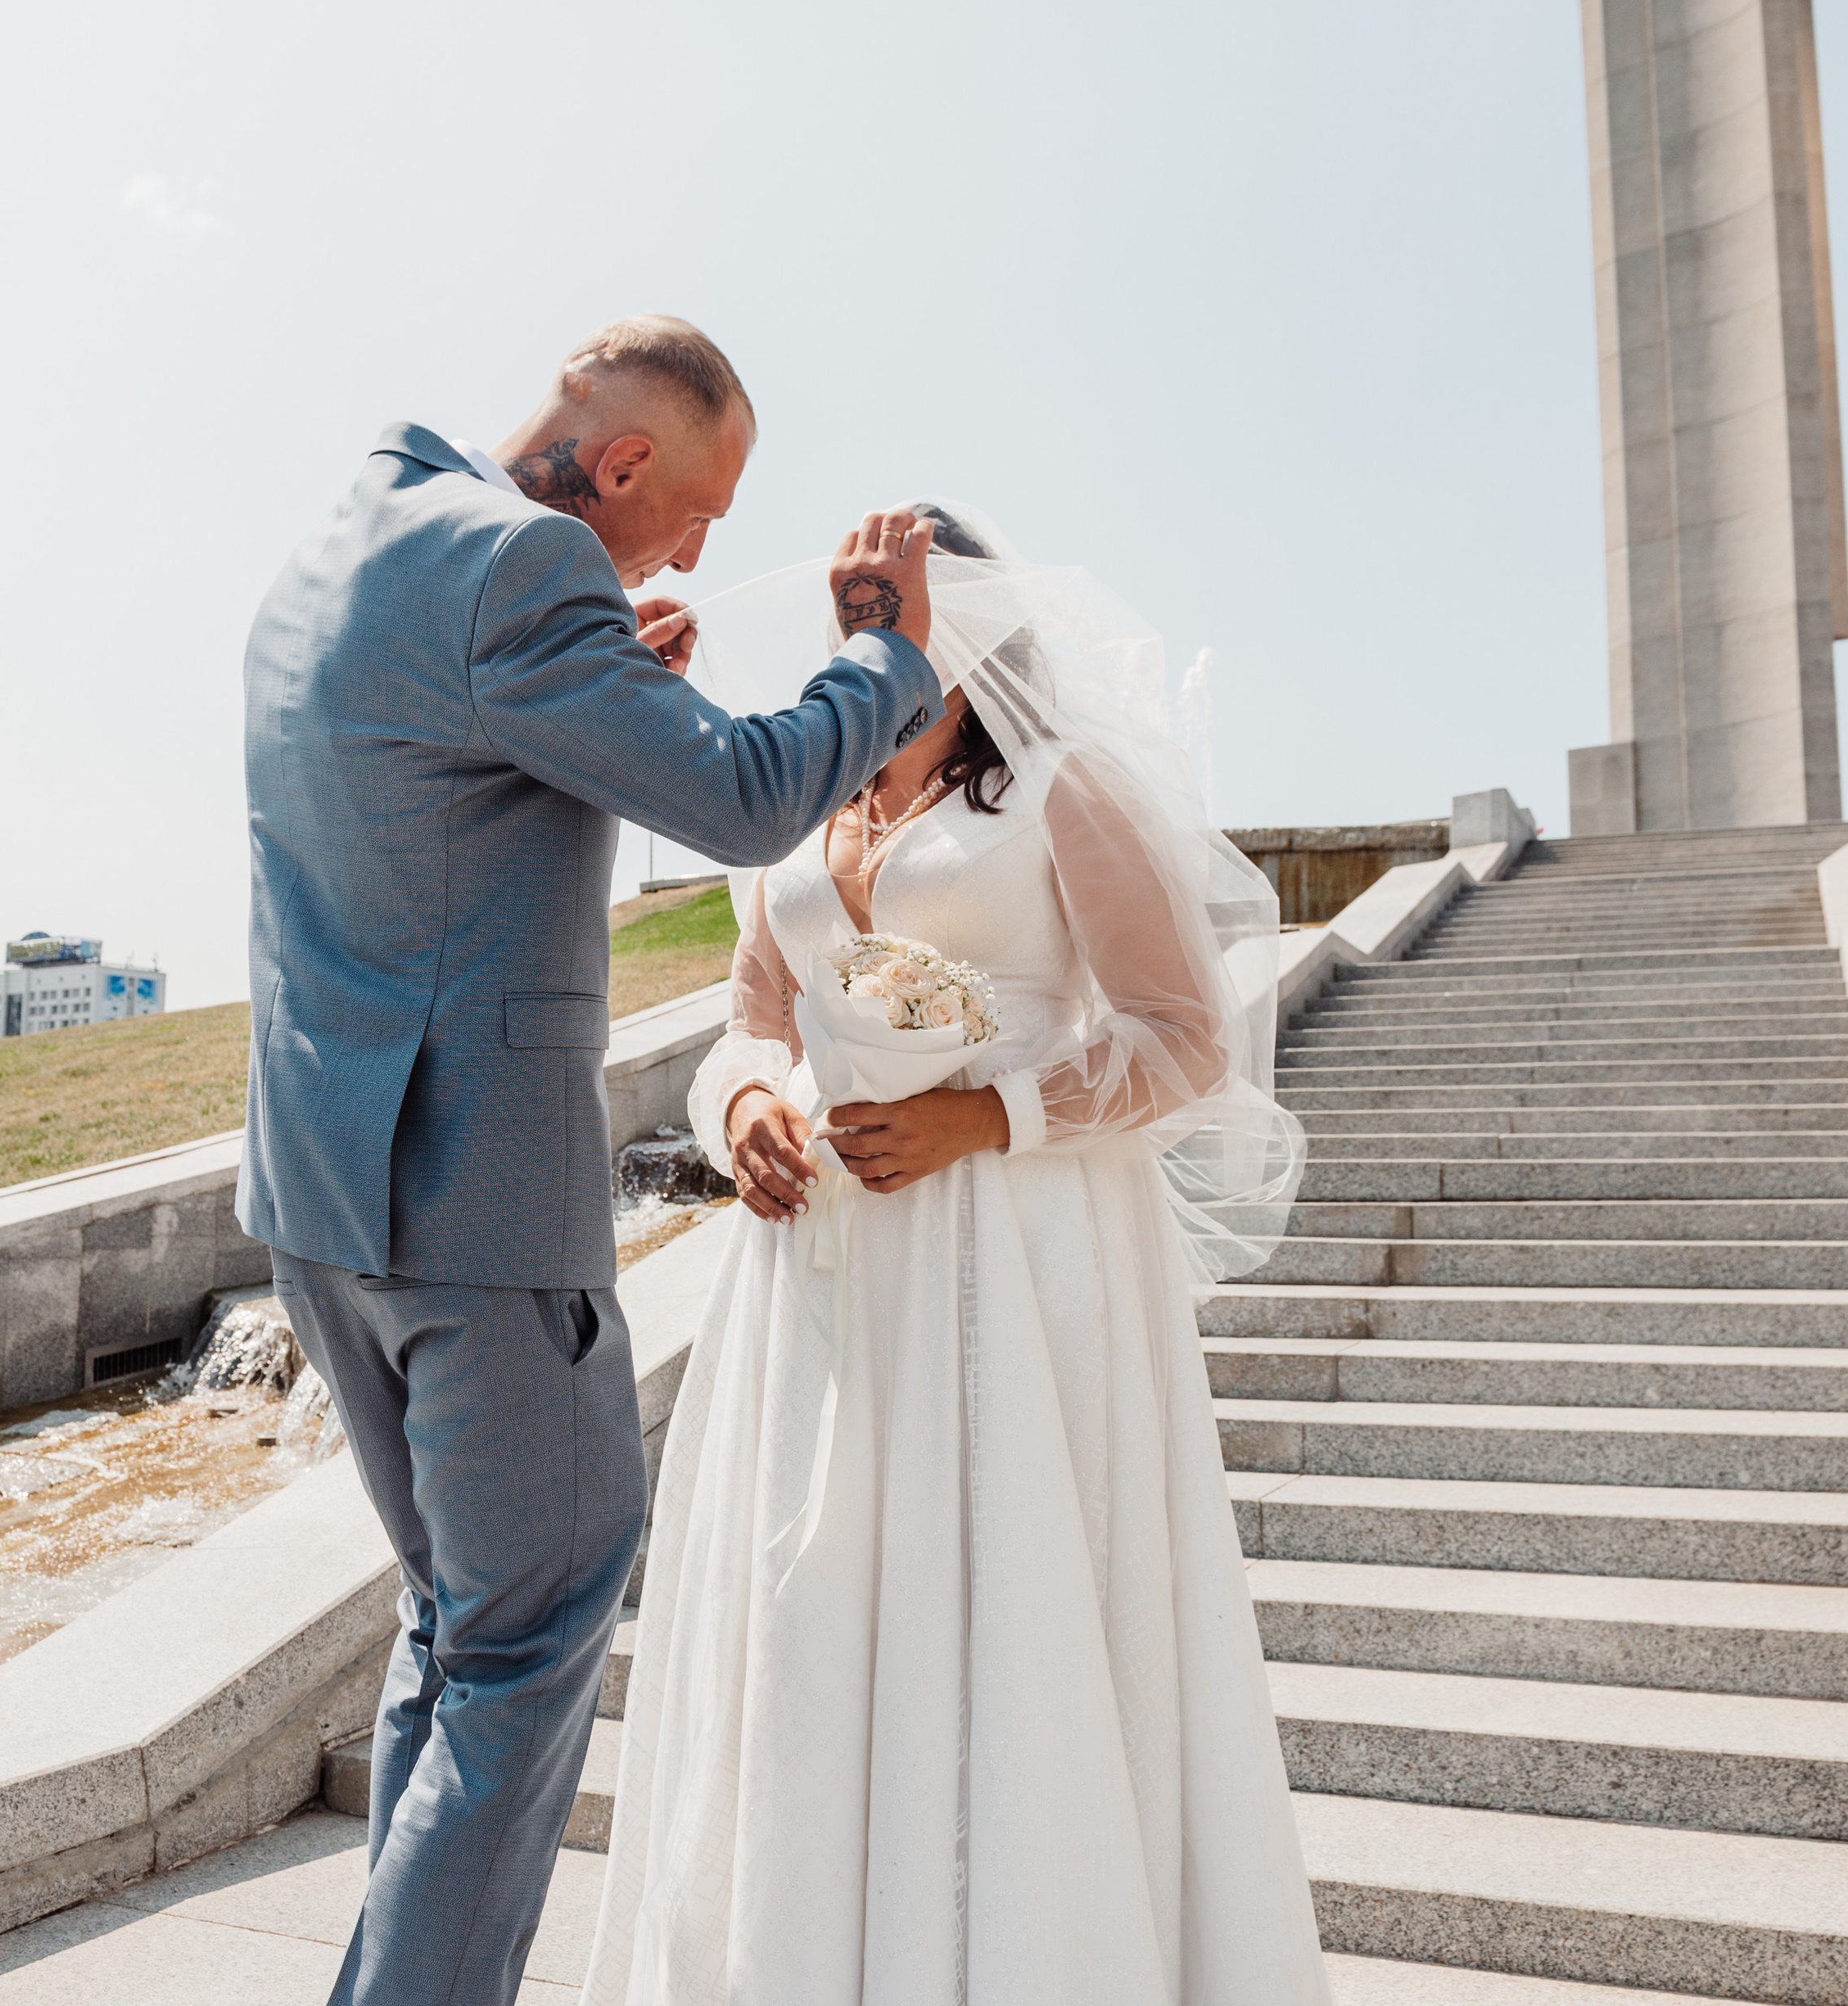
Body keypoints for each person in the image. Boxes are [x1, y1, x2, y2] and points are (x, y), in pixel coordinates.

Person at [238, 314, 944, 2006]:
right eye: (696, 509)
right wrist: (879, 652)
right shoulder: (529, 566)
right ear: (624, 465)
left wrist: (609, 668)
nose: (699, 546)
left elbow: (437, 802)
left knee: (460, 1620)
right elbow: (745, 798)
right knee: (535, 1620)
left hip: (322, 1199)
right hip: (473, 1209)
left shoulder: (347, 543)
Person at [584, 505, 1331, 2004]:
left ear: (962, 605)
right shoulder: (803, 795)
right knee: (812, 1620)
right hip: (820, 1269)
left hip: (1015, 1242)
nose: (863, 611)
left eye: (892, 592)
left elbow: (1184, 1042)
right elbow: (755, 1014)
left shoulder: (1065, 789)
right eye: (854, 597)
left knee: (1001, 1601)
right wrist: (745, 1115)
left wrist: (985, 1117)